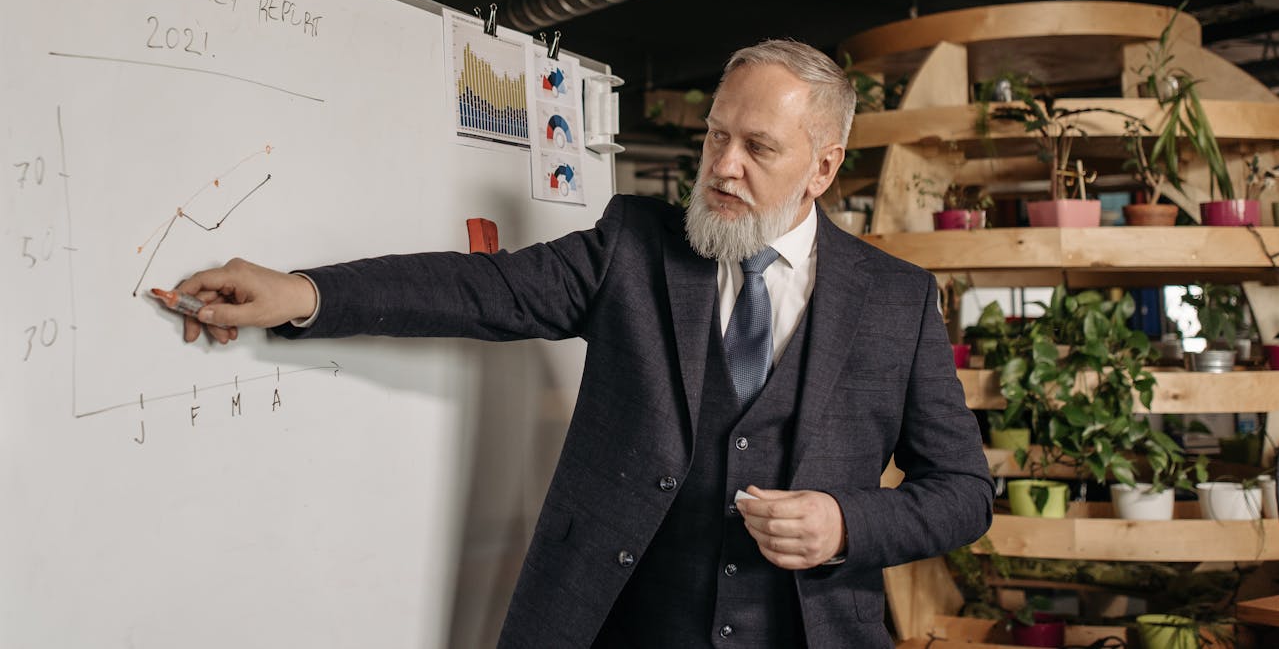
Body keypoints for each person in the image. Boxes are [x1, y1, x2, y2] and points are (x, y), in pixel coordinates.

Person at [175, 39, 993, 648]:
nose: (722, 167)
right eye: (716, 137)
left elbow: (962, 491)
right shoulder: (633, 245)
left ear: (822, 168)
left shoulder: (895, 298)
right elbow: (480, 290)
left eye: (758, 148)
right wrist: (305, 294)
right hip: (615, 625)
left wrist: (847, 525)